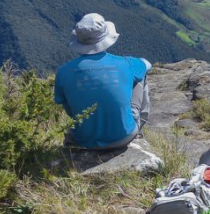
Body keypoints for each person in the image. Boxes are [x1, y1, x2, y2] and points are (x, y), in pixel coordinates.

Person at [55, 13, 151, 150]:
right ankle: (137, 128)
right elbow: (146, 65)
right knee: (141, 76)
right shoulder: (126, 63)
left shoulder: (63, 72)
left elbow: (68, 109)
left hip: (83, 140)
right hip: (124, 136)